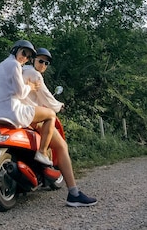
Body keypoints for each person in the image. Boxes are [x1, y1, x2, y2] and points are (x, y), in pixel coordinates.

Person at [21, 47, 98, 207]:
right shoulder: (35, 75)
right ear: (32, 59)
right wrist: (60, 105)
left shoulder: (19, 70)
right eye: (40, 60)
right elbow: (49, 100)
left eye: (46, 63)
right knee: (62, 146)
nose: (43, 64)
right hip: (31, 118)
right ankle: (74, 193)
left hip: (13, 114)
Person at [0, 40, 56, 166]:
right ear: (15, 50)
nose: (25, 58)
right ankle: (42, 152)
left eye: (28, 57)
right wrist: (31, 87)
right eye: (24, 53)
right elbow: (20, 93)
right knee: (50, 115)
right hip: (12, 111)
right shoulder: (15, 65)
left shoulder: (0, 66)